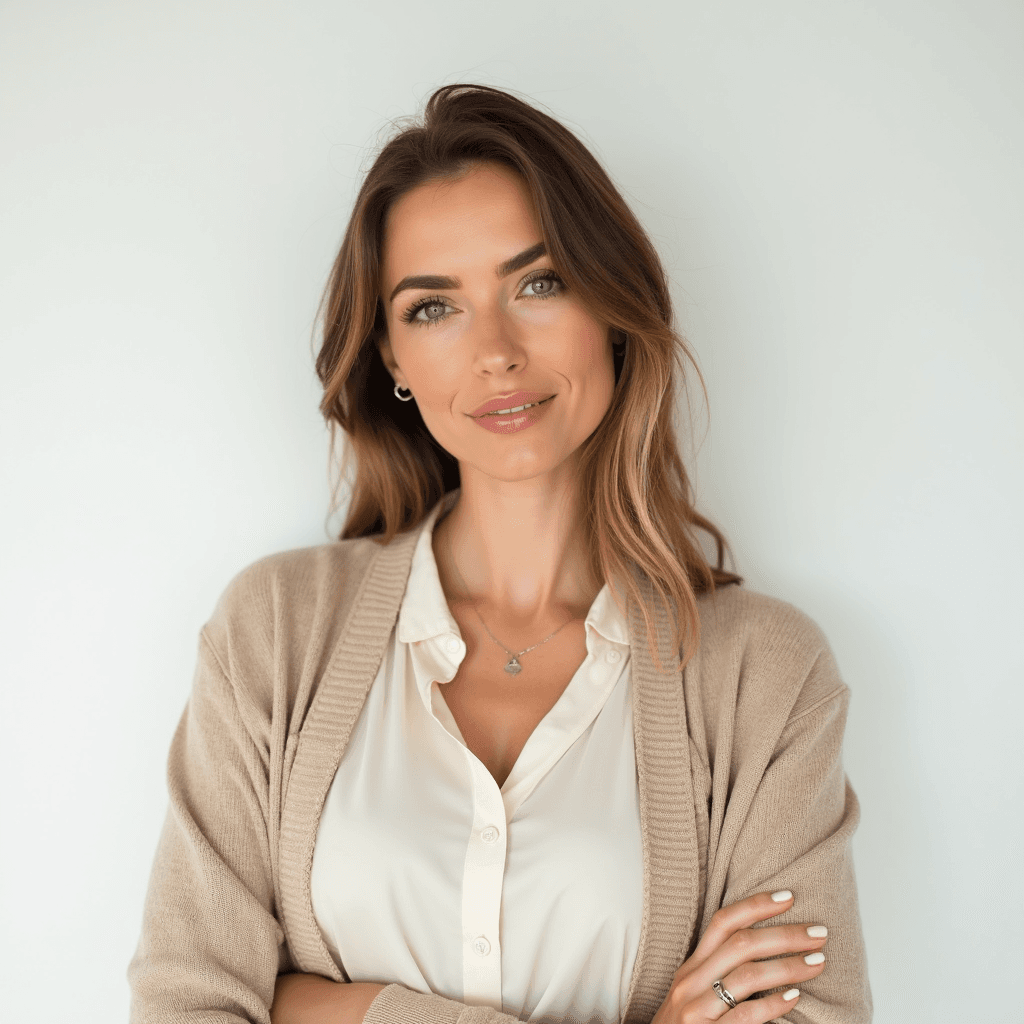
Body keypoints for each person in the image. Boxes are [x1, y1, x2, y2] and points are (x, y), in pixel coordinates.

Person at [128, 84, 871, 1024]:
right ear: (393, 359)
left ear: (610, 303)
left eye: (539, 282)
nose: (495, 352)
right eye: (433, 309)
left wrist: (325, 1008)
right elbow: (186, 1004)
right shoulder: (275, 631)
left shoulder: (765, 674)